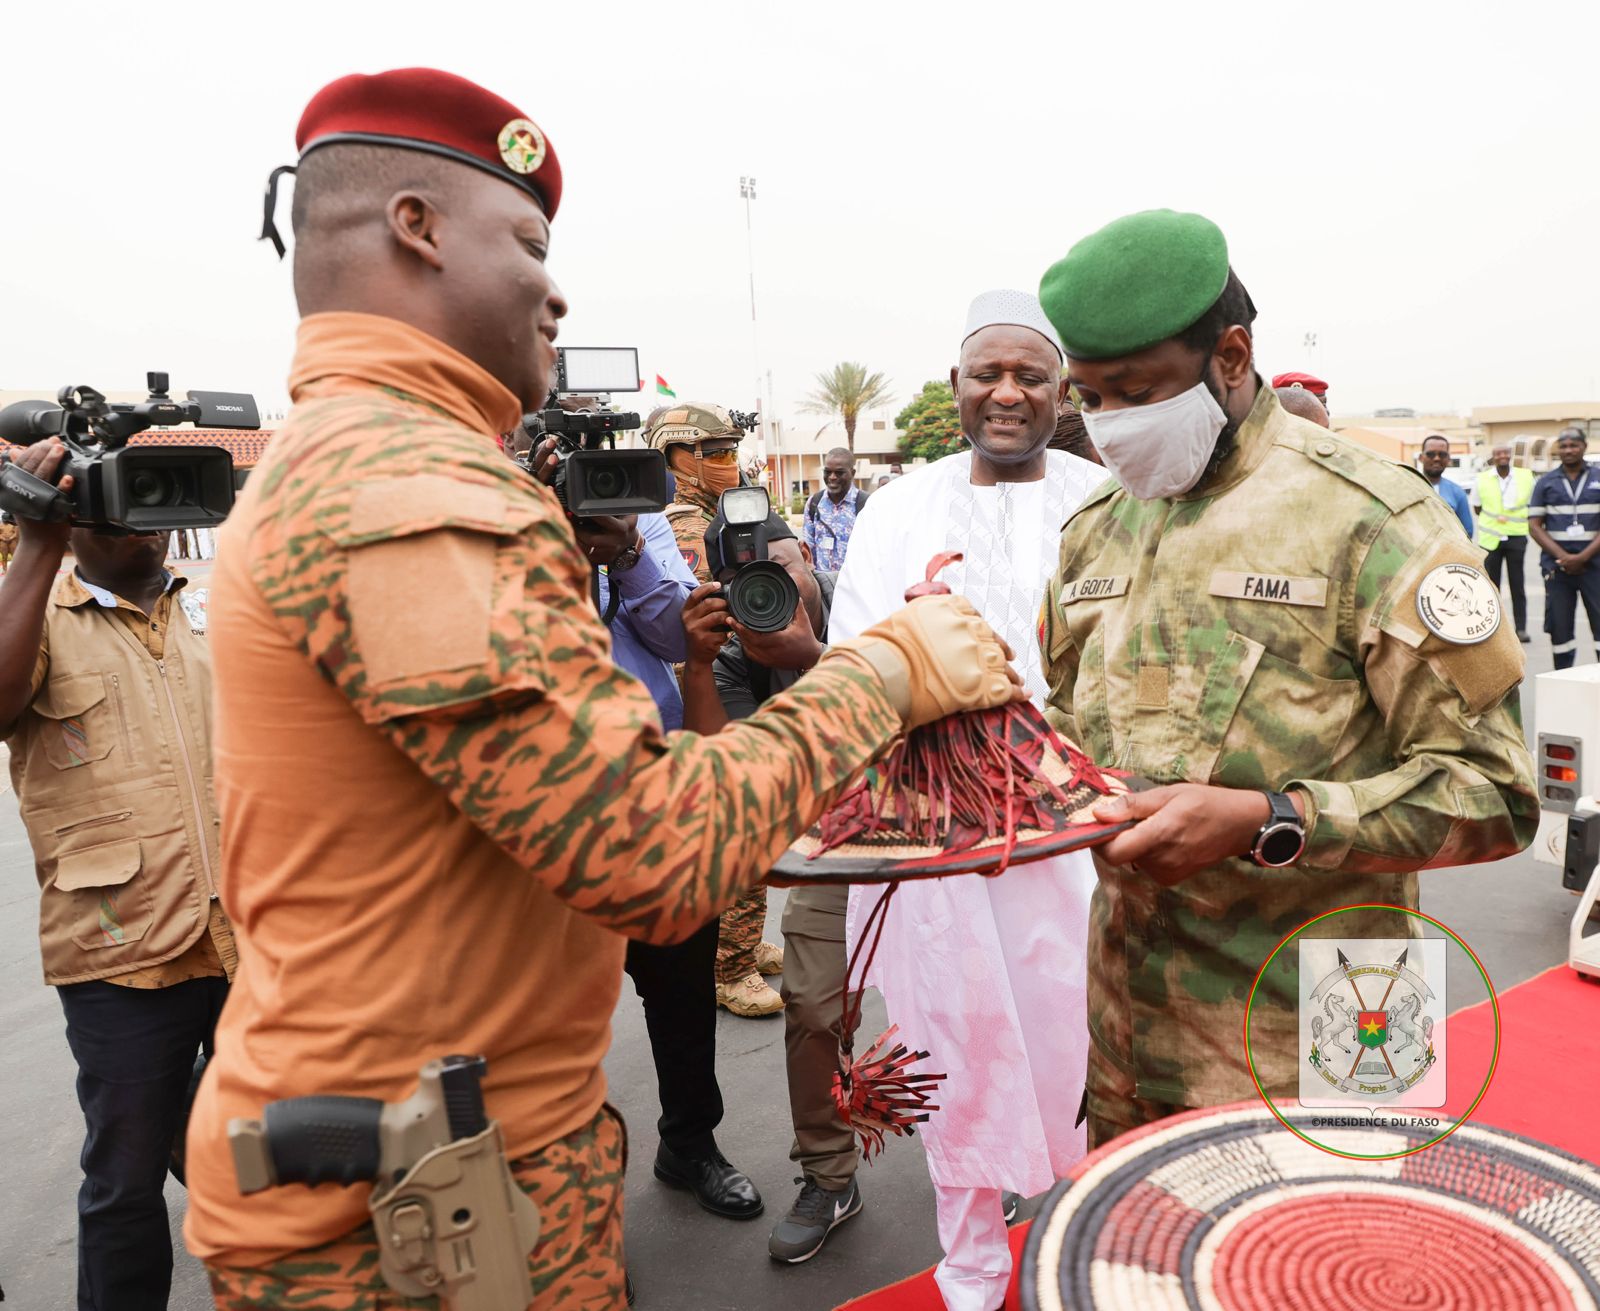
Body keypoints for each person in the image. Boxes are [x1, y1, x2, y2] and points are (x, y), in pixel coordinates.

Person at [183, 68, 1021, 1310]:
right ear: (414, 228)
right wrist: (886, 673)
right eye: (527, 241)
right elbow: (648, 851)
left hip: (448, 1166)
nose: (555, 286)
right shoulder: (408, 487)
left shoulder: (378, 455)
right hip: (415, 1220)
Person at [1035, 208, 1536, 1149]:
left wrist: (1271, 820)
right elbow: (1069, 734)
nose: (1108, 427)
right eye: (1090, 399)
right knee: (1132, 1273)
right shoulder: (1094, 529)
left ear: (1230, 357)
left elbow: (1500, 793)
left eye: (1136, 391)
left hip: (1328, 1029)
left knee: (1328, 1273)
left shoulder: (1376, 520)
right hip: (1129, 1031)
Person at [830, 288, 1103, 1311]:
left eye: (1028, 374)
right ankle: (976, 1265)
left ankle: (1085, 1232)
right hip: (937, 843)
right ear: (953, 386)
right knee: (955, 1044)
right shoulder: (899, 507)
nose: (1004, 391)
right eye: (985, 372)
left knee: (1081, 1039)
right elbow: (859, 653)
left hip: (1074, 837)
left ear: (1059, 390)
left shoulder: (1102, 500)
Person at [0, 460, 234, 1311]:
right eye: (125, 499)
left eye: (160, 497)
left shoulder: (215, 606)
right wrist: (36, 545)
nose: (150, 516)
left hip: (252, 938)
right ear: (75, 517)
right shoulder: (35, 610)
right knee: (124, 1184)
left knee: (283, 1156)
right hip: (120, 950)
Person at [679, 506, 864, 1262]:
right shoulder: (737, 648)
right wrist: (696, 663)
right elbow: (725, 767)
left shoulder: (864, 596)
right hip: (836, 837)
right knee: (814, 1006)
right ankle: (829, 1173)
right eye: (749, 577)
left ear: (811, 557)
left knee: (969, 995)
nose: (771, 587)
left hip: (935, 817)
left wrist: (816, 654)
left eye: (782, 567)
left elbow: (915, 716)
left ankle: (993, 1165)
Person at [647, 402, 785, 1017]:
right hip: (708, 688)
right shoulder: (680, 523)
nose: (731, 465)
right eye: (717, 454)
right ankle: (729, 967)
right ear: (679, 457)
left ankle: (743, 943)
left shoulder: (717, 515)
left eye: (732, 452)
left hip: (728, 680)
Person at [1529, 427, 1600, 669]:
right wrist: (1565, 557)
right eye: (1564, 446)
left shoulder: (1598, 477)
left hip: (1595, 566)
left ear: (1584, 447)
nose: (1568, 450)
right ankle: (1563, 681)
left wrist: (1582, 557)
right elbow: (1535, 526)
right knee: (1559, 630)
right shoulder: (1545, 482)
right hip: (1558, 568)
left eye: (1574, 445)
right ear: (1558, 449)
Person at [1473, 443, 1534, 642]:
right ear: (1493, 456)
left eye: (1505, 453)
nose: (1502, 456)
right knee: (1492, 586)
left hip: (1516, 537)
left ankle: (1521, 629)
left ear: (1510, 456)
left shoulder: (1525, 476)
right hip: (1491, 539)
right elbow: (1477, 507)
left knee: (1518, 585)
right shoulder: (1482, 479)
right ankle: (1495, 630)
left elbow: (1532, 505)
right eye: (1498, 453)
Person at [804, 446, 868, 572]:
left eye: (839, 473)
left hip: (855, 584)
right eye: (827, 472)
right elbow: (808, 548)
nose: (832, 477)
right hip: (823, 583)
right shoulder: (814, 503)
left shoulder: (866, 504)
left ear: (852, 473)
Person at [1419, 434, 1474, 537]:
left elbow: (1467, 532)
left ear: (1448, 459)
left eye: (1442, 454)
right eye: (1430, 454)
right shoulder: (1409, 486)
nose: (1436, 458)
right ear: (1421, 458)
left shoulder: (1457, 492)